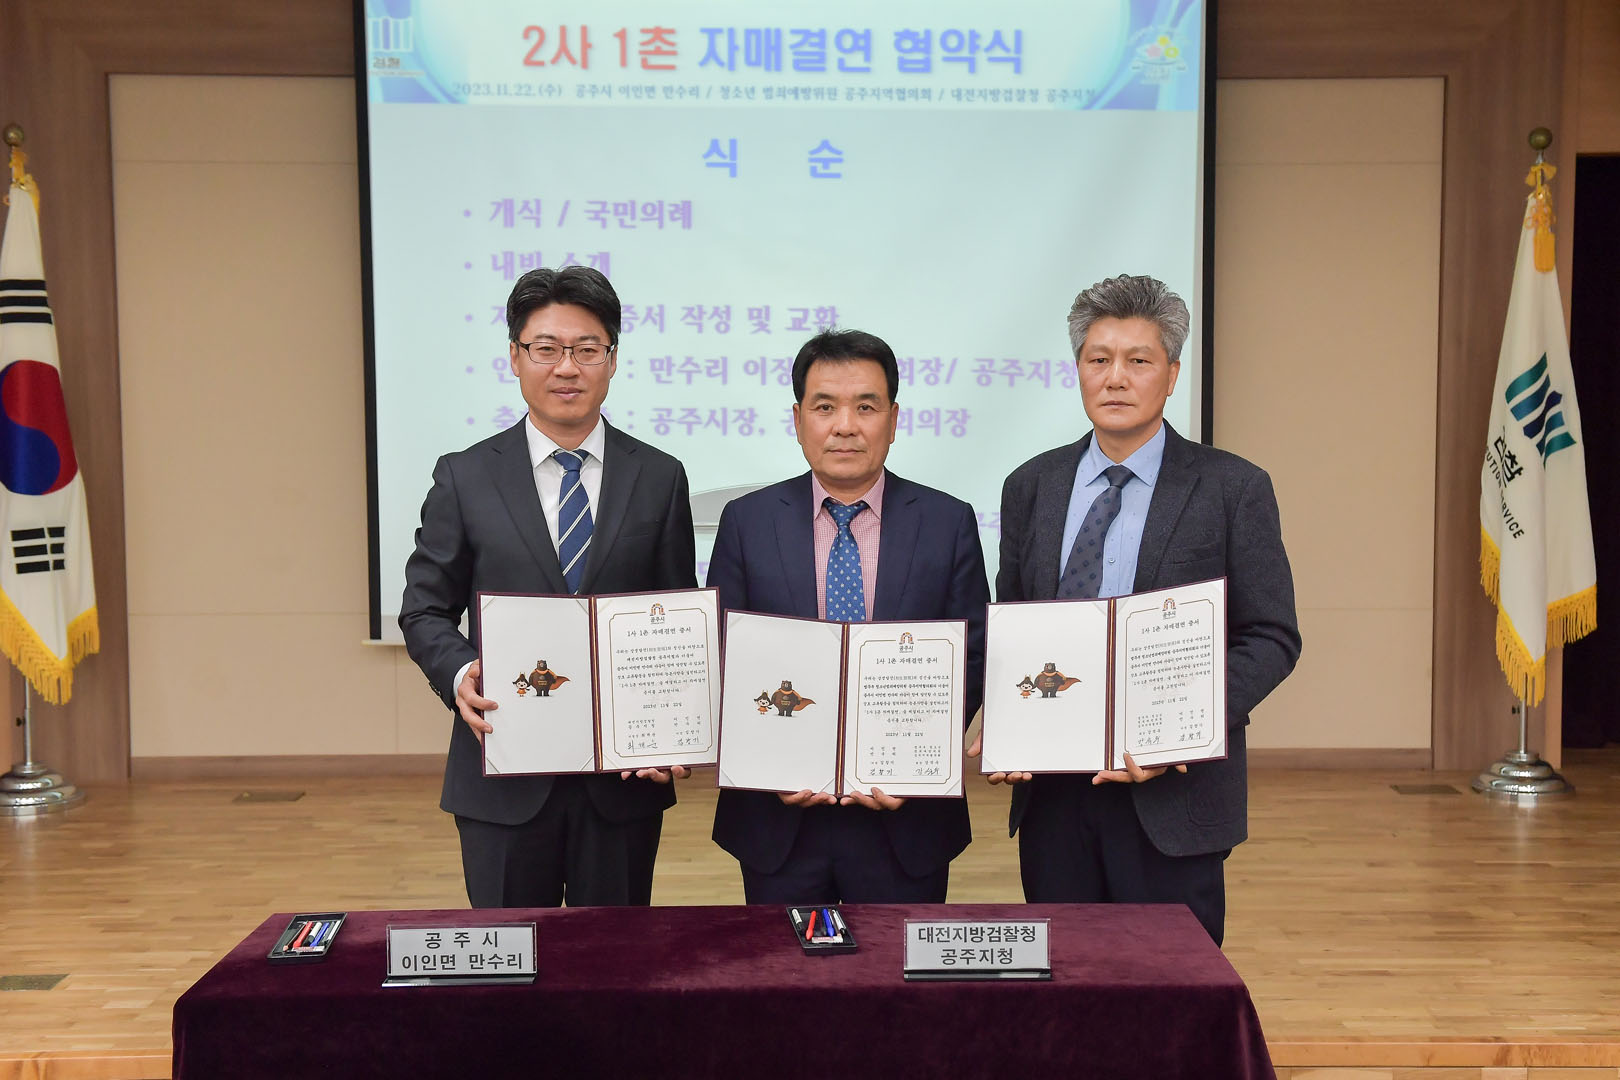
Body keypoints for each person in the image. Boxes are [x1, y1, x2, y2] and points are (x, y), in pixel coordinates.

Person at [979, 273, 1301, 944]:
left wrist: (1181, 729)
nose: (1116, 378)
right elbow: (1014, 621)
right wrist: (1002, 719)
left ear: (1173, 374)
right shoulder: (1030, 485)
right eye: (1099, 359)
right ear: (1078, 370)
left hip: (1173, 792)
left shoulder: (1232, 487)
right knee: (1064, 976)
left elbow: (1271, 635)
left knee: (1170, 980)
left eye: (1139, 360)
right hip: (1053, 793)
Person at [400, 265, 696, 908]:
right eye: (546, 349)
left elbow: (676, 615)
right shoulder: (465, 476)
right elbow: (423, 609)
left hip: (622, 779)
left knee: (612, 958)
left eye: (587, 349)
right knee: (510, 957)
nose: (567, 367)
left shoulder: (660, 477)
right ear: (515, 357)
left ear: (612, 360)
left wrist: (673, 724)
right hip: (502, 772)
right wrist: (461, 674)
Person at [708, 328, 990, 904]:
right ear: (797, 420)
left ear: (893, 419)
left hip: (905, 817)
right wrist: (767, 760)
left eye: (866, 407)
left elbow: (973, 655)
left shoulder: (947, 521)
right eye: (824, 407)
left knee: (896, 963)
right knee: (783, 961)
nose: (845, 426)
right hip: (778, 815)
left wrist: (917, 763)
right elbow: (721, 654)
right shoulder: (747, 521)